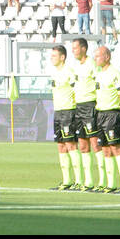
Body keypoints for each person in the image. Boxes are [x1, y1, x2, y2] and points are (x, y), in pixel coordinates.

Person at [93, 45, 120, 194]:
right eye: (94, 56)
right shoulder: (99, 74)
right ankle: (110, 185)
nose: (95, 58)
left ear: (107, 57)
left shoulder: (115, 74)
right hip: (100, 114)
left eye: (98, 56)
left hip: (112, 115)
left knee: (116, 148)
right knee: (105, 150)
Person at [68, 37, 103, 191]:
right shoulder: (76, 66)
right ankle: (87, 182)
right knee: (82, 145)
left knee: (95, 144)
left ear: (83, 48)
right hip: (79, 107)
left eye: (75, 48)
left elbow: (99, 83)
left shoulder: (92, 64)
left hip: (90, 105)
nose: (73, 51)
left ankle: (103, 181)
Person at [48, 44, 78, 190]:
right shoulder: (54, 72)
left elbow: (77, 90)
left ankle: (79, 181)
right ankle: (67, 181)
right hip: (58, 112)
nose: (51, 58)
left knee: (71, 144)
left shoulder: (69, 72)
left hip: (68, 111)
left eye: (54, 56)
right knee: (61, 145)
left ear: (62, 57)